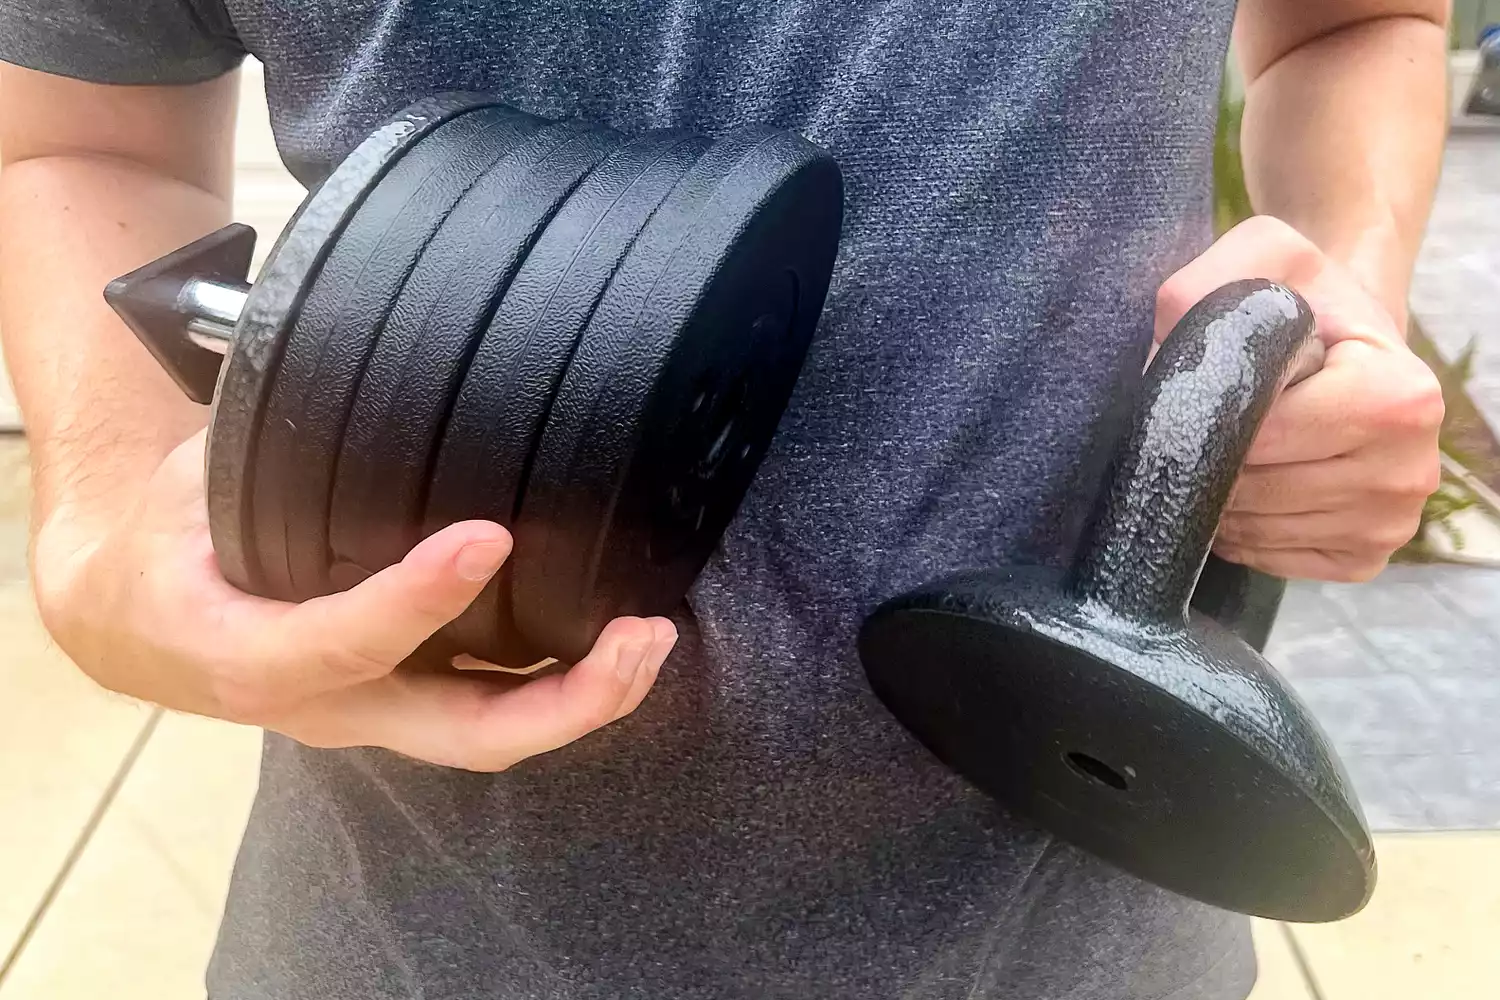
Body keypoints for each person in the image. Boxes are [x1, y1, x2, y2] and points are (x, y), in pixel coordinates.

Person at [0, 1, 1448, 997]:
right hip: (413, 937)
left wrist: (1350, 292)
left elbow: (1353, 21)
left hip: (1086, 917)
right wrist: (103, 524)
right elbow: (76, 134)